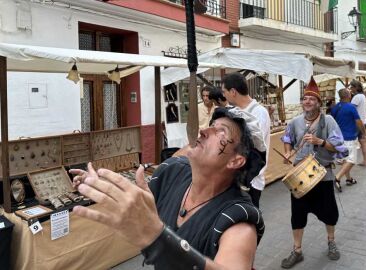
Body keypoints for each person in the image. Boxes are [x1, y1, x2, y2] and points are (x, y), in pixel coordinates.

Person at [70, 107, 267, 270]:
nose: (203, 131)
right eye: (211, 126)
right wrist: (100, 183)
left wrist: (157, 238)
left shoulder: (238, 222)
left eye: (221, 132)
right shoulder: (173, 173)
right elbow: (136, 197)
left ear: (235, 160)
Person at [280, 77, 347, 268]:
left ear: (318, 103)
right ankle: (297, 250)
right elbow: (287, 137)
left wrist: (321, 142)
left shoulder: (329, 121)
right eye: (304, 98)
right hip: (300, 175)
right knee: (297, 214)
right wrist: (287, 152)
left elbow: (341, 149)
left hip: (322, 175)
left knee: (329, 212)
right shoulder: (294, 122)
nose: (307, 102)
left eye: (311, 99)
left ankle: (331, 242)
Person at [221, 72, 271, 208]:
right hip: (234, 177)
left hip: (251, 179)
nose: (223, 95)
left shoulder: (259, 112)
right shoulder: (232, 110)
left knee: (249, 221)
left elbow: (251, 144)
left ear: (233, 92)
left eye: (224, 91)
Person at [331, 88, 366, 191]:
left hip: (338, 138)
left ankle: (349, 179)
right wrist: (363, 133)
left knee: (346, 160)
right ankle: (337, 178)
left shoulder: (335, 107)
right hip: (349, 137)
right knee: (351, 160)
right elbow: (359, 122)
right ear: (348, 95)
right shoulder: (351, 107)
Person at [349, 79, 366, 166]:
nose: (350, 89)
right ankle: (365, 161)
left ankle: (349, 161)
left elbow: (351, 110)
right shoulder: (363, 96)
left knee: (350, 142)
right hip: (364, 122)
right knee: (363, 141)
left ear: (355, 87)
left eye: (351, 87)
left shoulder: (356, 97)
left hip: (357, 123)